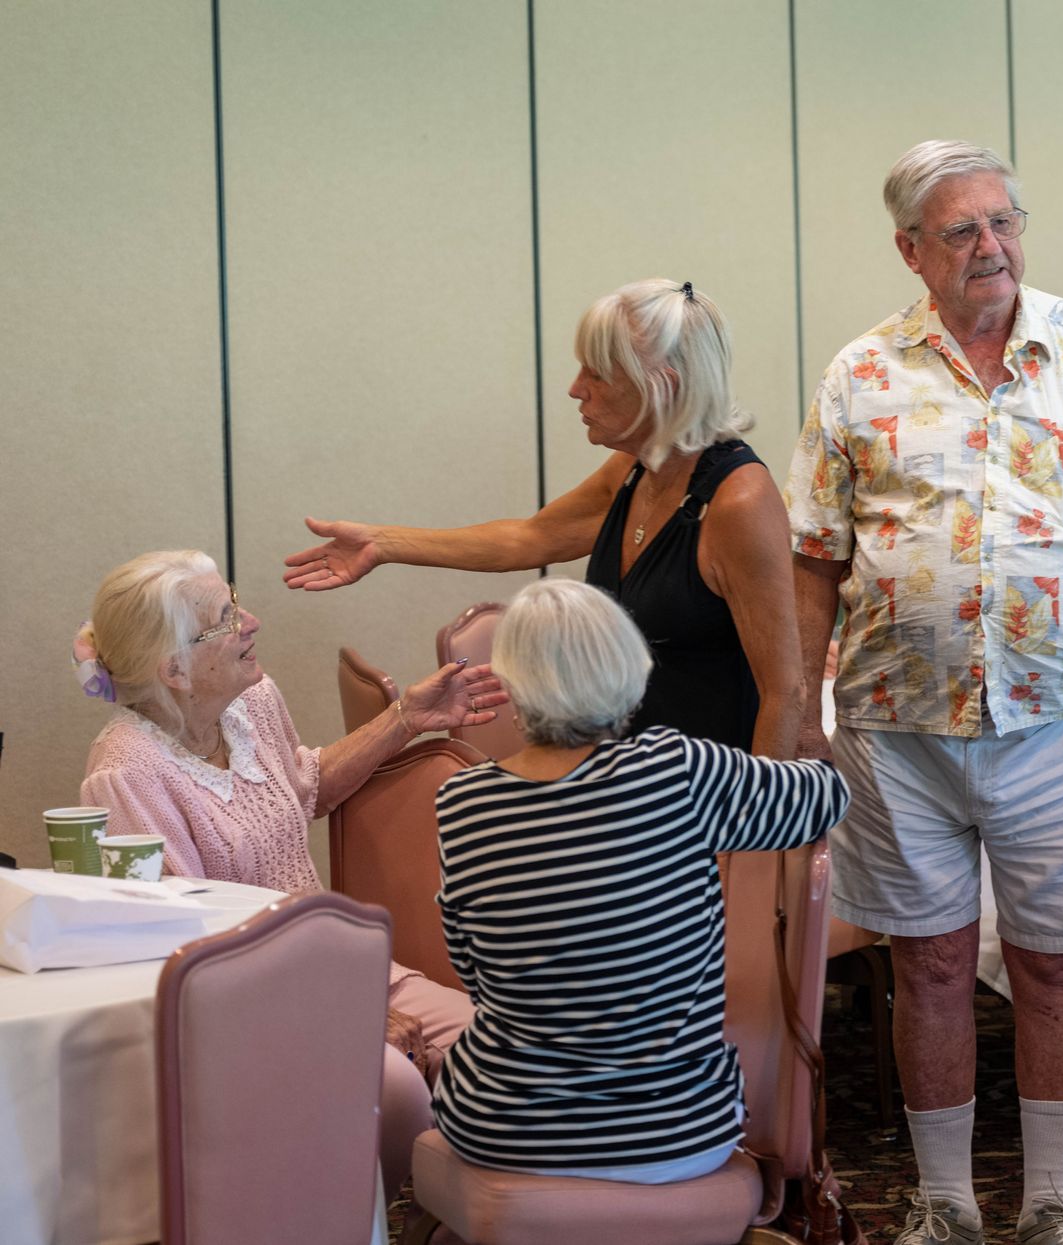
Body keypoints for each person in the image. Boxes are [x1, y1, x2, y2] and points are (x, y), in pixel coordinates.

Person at [787, 139, 1063, 1245]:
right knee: (926, 964)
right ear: (911, 251)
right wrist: (796, 711)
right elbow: (813, 556)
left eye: (1004, 222)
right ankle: (943, 1203)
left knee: (1054, 964)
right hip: (896, 730)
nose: (991, 247)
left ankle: (1055, 1205)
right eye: (963, 230)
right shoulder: (859, 374)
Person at [75, 549, 507, 1195]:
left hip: (342, 966)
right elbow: (183, 947)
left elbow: (306, 788)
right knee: (391, 1085)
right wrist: (342, 1007)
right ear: (176, 669)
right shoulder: (128, 770)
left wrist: (406, 719)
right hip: (246, 1004)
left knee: (500, 1045)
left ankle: (456, 1214)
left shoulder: (252, 703)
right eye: (225, 619)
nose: (250, 621)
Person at [429, 578, 848, 1182]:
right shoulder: (674, 770)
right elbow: (826, 797)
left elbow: (470, 969)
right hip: (671, 1131)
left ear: (513, 681)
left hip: (504, 1127)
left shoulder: (461, 802)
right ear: (629, 667)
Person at [281, 279, 802, 757]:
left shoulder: (738, 502)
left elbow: (785, 692)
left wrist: (756, 845)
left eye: (596, 373)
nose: (576, 389)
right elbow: (529, 538)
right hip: (628, 786)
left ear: (662, 386)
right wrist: (382, 543)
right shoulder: (637, 467)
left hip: (707, 801)